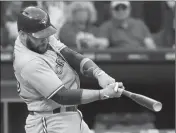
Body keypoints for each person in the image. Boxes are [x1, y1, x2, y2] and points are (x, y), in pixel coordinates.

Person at [13, 6, 125, 133]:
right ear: (22, 35)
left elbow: (70, 55)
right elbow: (62, 96)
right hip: (50, 121)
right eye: (40, 36)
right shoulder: (28, 62)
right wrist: (103, 93)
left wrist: (99, 73)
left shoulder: (38, 37)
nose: (45, 39)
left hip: (70, 116)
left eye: (46, 34)